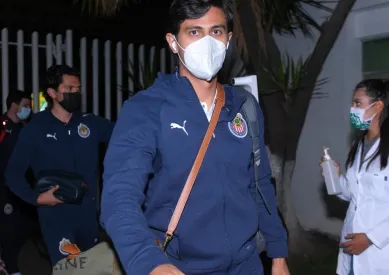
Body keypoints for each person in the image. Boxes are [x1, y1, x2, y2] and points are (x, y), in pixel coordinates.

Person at [100, 1, 290, 274]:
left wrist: (279, 253)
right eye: (194, 32)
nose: (207, 43)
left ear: (228, 39)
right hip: (179, 267)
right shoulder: (147, 109)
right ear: (173, 42)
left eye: (216, 32)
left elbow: (259, 184)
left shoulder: (244, 107)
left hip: (246, 265)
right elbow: (119, 197)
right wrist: (149, 263)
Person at [4, 65, 114, 266]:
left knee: (91, 270)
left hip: (88, 218)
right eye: (69, 89)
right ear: (52, 93)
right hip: (56, 218)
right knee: (69, 270)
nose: (76, 93)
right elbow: (13, 173)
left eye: (77, 88)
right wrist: (36, 198)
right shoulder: (35, 129)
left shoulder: (91, 123)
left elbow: (126, 138)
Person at [321, 79, 389, 275]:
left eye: (358, 103)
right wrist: (333, 176)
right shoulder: (358, 146)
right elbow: (353, 195)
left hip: (384, 253)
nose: (353, 108)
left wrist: (370, 238)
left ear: (378, 106)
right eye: (352, 103)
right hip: (353, 246)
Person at [0, 89, 36, 275]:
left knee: (24, 228)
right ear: (14, 106)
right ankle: (10, 267)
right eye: (25, 106)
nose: (28, 109)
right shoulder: (2, 127)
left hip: (21, 189)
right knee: (9, 230)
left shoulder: (24, 130)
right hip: (3, 189)